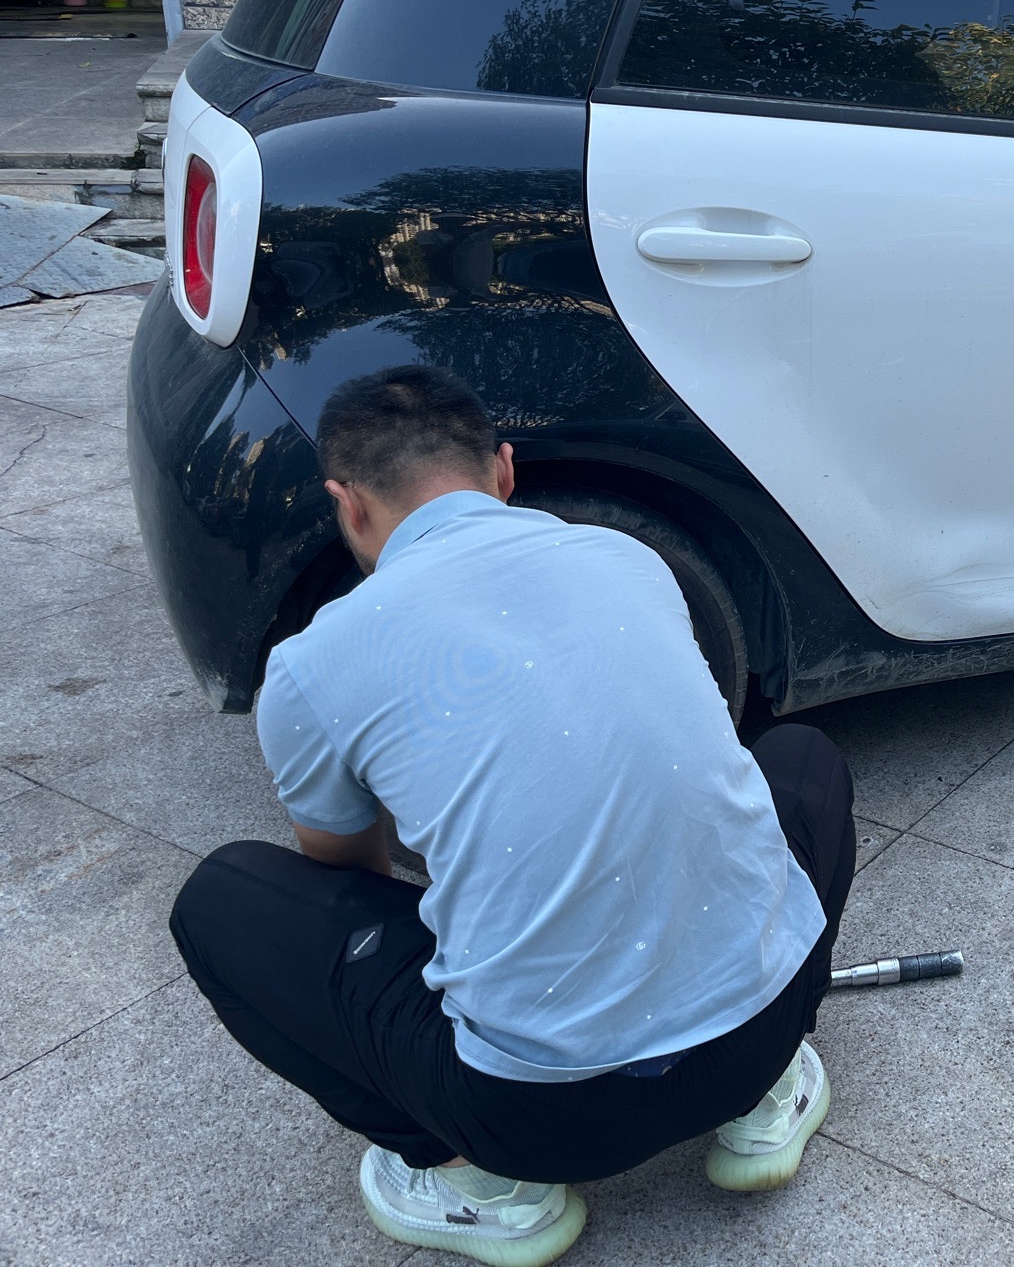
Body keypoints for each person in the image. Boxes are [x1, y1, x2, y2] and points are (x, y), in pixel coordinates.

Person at [170, 365, 855, 1267]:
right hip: (760, 1034)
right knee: (802, 760)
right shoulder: (628, 558)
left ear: (349, 505)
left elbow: (346, 883)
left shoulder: (311, 664)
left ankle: (485, 1187)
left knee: (221, 901)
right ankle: (767, 1100)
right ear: (503, 470)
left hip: (540, 1123)